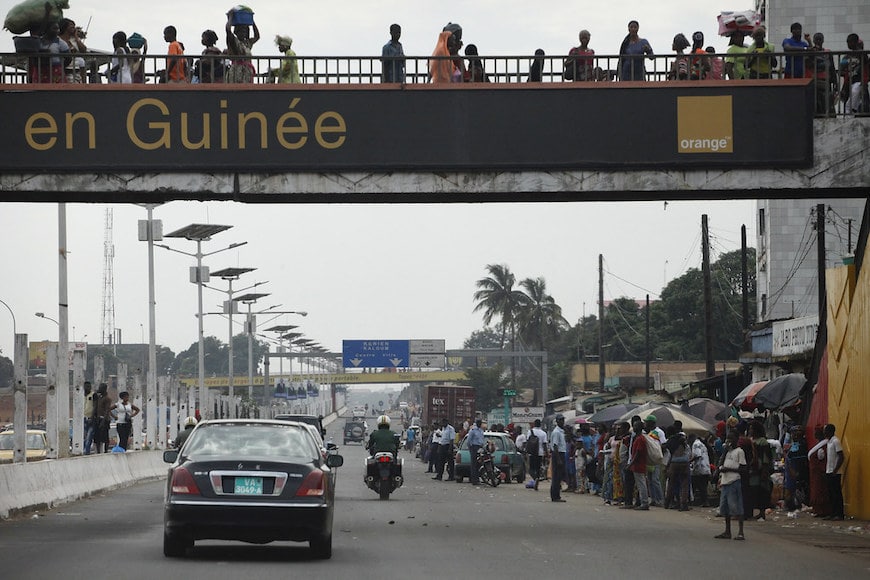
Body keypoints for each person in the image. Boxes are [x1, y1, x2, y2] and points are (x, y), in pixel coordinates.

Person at [716, 430, 747, 540]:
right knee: (725, 508)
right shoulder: (727, 452)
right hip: (725, 482)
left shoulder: (739, 451)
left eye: (731, 439)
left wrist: (728, 469)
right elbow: (720, 463)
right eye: (727, 439)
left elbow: (743, 468)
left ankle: (741, 532)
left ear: (736, 439)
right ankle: (727, 531)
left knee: (736, 507)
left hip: (734, 481)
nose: (729, 441)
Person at [807, 33, 838, 117]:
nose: (818, 41)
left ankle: (828, 116)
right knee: (817, 102)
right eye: (816, 39)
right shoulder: (810, 52)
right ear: (813, 40)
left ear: (823, 41)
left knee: (827, 101)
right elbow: (809, 64)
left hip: (826, 81)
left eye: (820, 39)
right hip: (814, 81)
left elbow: (832, 68)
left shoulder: (827, 52)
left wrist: (835, 83)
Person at [225, 11, 260, 84]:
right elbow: (228, 30)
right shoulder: (234, 41)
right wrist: (230, 18)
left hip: (247, 71)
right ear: (236, 32)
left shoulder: (247, 43)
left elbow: (257, 36)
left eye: (244, 31)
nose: (243, 33)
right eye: (240, 30)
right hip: (237, 71)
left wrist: (252, 21)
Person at [840, 34, 869, 115]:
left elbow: (866, 67)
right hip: (849, 81)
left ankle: (853, 110)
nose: (848, 44)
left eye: (849, 42)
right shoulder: (846, 56)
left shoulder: (862, 55)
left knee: (855, 91)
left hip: (859, 80)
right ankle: (849, 114)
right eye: (847, 42)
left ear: (855, 42)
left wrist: (865, 80)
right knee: (849, 99)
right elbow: (842, 71)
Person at [807, 425, 831, 517]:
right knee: (816, 490)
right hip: (815, 473)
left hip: (819, 472)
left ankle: (823, 510)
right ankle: (818, 510)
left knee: (820, 490)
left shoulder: (824, 446)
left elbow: (822, 457)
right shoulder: (820, 445)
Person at [823, 423, 845, 520]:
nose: (824, 432)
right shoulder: (829, 442)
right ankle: (832, 513)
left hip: (835, 472)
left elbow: (841, 456)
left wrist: (835, 470)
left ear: (830, 431)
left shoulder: (836, 441)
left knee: (836, 494)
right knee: (830, 493)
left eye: (825, 430)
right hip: (829, 471)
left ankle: (839, 514)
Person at [644, 415, 666, 506]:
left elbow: (664, 444)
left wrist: (659, 454)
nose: (645, 424)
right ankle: (653, 499)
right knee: (649, 480)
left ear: (652, 423)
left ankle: (660, 499)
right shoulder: (648, 433)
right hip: (649, 459)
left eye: (647, 422)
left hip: (656, 459)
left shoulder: (659, 432)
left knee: (655, 479)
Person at [627, 420, 650, 510]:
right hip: (637, 464)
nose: (634, 427)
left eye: (635, 426)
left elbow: (638, 453)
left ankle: (644, 503)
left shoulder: (640, 438)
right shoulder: (638, 438)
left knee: (641, 484)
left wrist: (631, 463)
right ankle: (641, 502)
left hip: (638, 464)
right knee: (640, 484)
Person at [59, 18, 87, 83]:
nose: (74, 27)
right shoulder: (58, 39)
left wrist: (76, 37)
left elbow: (83, 50)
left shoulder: (74, 40)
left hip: (76, 70)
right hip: (65, 69)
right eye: (71, 25)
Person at [689, 433, 712, 507]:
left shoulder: (696, 444)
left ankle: (702, 501)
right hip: (704, 468)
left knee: (699, 486)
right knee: (701, 486)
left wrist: (689, 461)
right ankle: (703, 501)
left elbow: (697, 455)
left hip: (700, 469)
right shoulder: (701, 444)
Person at [549, 414, 567, 502]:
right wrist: (559, 459)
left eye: (563, 420)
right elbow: (555, 446)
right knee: (556, 476)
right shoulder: (556, 432)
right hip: (558, 454)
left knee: (559, 476)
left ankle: (557, 495)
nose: (562, 422)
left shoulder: (561, 431)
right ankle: (555, 496)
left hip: (562, 453)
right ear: (557, 421)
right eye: (560, 420)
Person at [527, 419, 548, 489]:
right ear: (540, 424)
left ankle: (535, 478)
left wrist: (527, 451)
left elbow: (528, 442)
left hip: (532, 453)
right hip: (540, 453)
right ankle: (537, 479)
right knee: (538, 468)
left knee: (531, 469)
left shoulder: (530, 432)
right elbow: (545, 444)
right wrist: (546, 453)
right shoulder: (543, 433)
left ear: (534, 424)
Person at [93, 383, 113, 454]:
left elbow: (107, 410)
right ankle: (98, 451)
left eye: (100, 388)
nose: (99, 389)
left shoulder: (107, 399)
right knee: (97, 436)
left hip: (104, 419)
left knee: (105, 436)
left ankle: (106, 450)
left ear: (104, 389)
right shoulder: (99, 398)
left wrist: (103, 421)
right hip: (98, 418)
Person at [467, 418, 485, 485]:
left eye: (480, 422)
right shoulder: (473, 430)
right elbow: (469, 441)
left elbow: (482, 439)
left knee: (479, 464)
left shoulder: (481, 430)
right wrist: (471, 448)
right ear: (476, 423)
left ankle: (477, 478)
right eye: (478, 422)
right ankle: (474, 480)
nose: (480, 424)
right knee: (474, 464)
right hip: (474, 447)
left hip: (480, 448)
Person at [83, 381, 96, 454]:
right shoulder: (81, 395)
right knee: (83, 436)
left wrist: (92, 417)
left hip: (90, 418)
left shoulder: (93, 395)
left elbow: (95, 406)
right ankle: (83, 449)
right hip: (83, 418)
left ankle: (86, 451)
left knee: (89, 435)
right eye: (87, 386)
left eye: (89, 386)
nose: (88, 388)